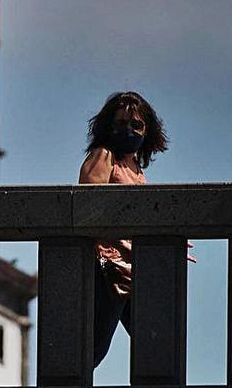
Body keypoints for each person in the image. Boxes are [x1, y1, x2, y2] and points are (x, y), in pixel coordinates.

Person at [79, 91, 192, 368]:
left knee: (154, 339)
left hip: (134, 267)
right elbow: (86, 205)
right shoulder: (104, 156)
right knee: (94, 346)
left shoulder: (135, 167)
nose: (128, 131)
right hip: (109, 266)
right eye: (120, 123)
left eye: (136, 125)